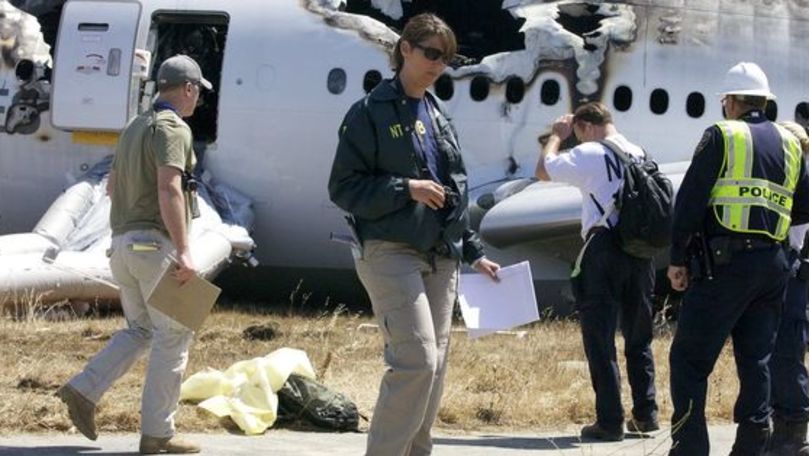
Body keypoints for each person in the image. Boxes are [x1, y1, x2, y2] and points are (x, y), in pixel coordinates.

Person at [328, 13, 500, 456]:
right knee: (416, 360)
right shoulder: (369, 113)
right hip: (390, 249)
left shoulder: (437, 114)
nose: (439, 65)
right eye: (431, 54)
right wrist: (406, 189)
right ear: (405, 49)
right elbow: (343, 188)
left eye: (446, 58)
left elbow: (453, 188)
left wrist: (473, 250)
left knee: (435, 366)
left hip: (441, 253)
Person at [56, 54, 211, 455]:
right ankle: (158, 433)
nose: (199, 101)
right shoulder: (173, 128)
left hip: (122, 247)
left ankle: (83, 389)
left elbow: (110, 189)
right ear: (189, 89)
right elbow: (169, 189)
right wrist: (184, 250)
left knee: (141, 330)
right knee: (173, 335)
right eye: (198, 92)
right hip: (152, 246)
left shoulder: (133, 127)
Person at [667, 62, 809, 456]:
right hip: (773, 268)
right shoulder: (790, 144)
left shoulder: (722, 135)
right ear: (765, 101)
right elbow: (803, 207)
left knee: (689, 361)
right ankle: (751, 446)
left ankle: (689, 448)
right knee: (756, 362)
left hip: (725, 265)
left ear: (730, 101)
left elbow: (690, 199)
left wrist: (677, 258)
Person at [534, 102, 659, 441]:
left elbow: (544, 170)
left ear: (586, 126)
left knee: (599, 338)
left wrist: (557, 138)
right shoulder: (639, 152)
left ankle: (609, 420)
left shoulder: (590, 151)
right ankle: (646, 414)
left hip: (604, 248)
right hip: (640, 251)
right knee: (639, 336)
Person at [766, 121, 809, 456]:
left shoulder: (800, 184)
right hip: (792, 277)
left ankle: (792, 434)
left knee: (785, 355)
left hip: (796, 280)